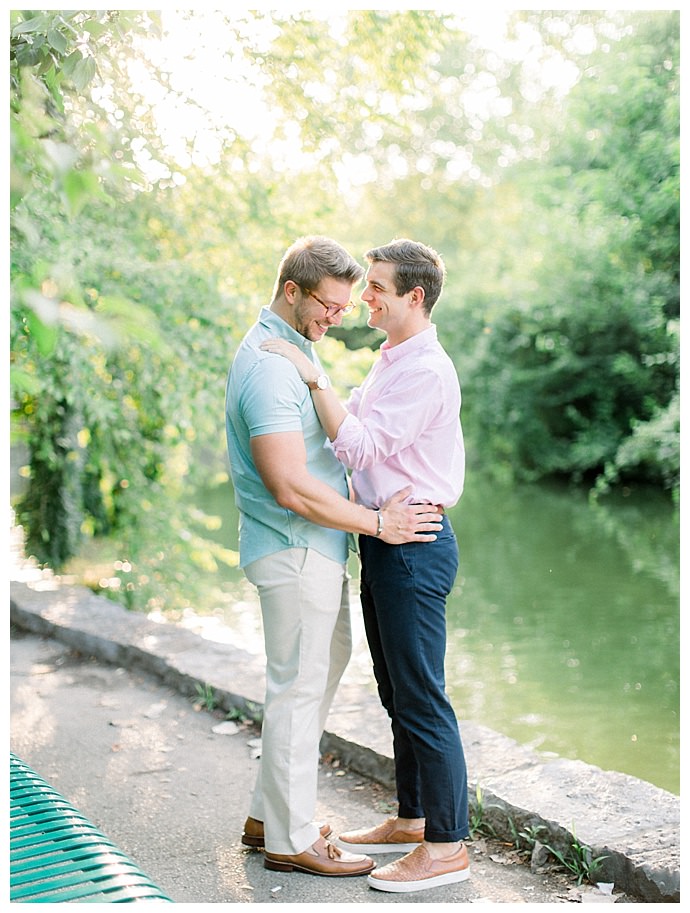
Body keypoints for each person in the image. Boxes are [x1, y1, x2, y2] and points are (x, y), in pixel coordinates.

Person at [224, 235, 443, 879]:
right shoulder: (268, 365)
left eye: (347, 306)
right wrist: (377, 522)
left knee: (318, 672)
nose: (337, 317)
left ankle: (271, 813)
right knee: (297, 685)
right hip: (292, 549)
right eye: (329, 305)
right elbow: (289, 485)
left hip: (313, 550)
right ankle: (290, 839)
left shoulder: (294, 350)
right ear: (291, 291)